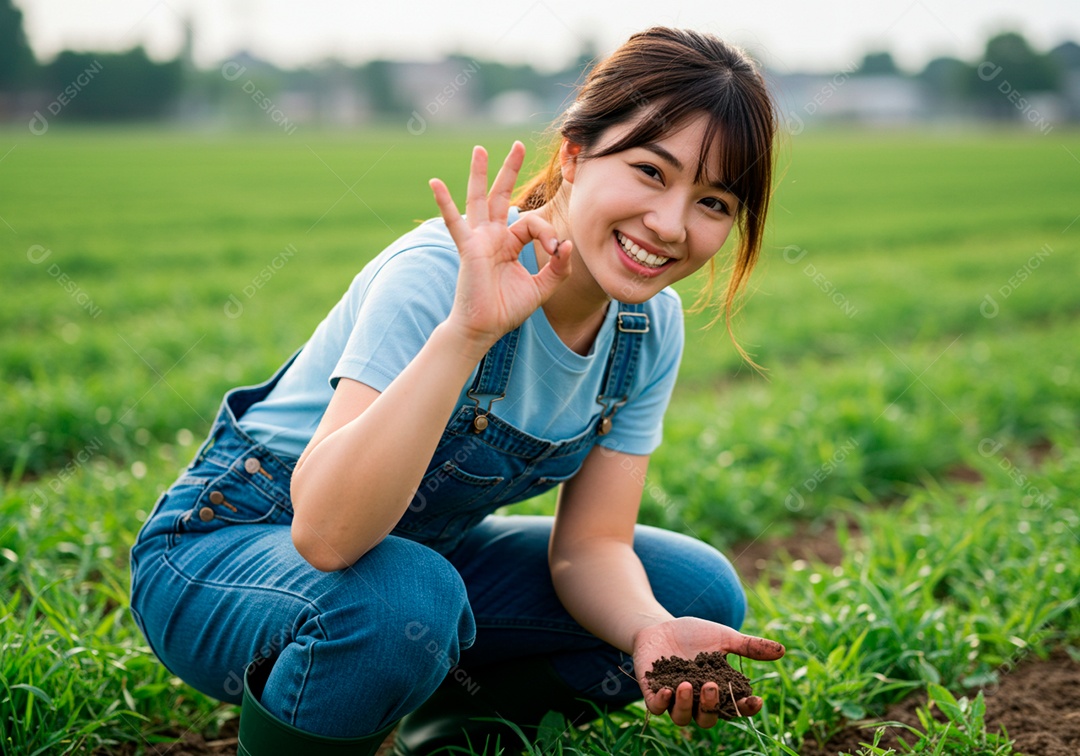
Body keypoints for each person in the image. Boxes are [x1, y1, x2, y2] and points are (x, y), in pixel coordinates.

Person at [129, 25, 786, 756]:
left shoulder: (647, 329)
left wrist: (645, 630)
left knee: (695, 594)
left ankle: (448, 729)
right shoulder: (436, 275)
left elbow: (593, 546)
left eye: (715, 203)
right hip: (229, 553)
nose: (670, 225)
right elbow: (326, 535)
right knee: (403, 598)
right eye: (651, 172)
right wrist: (467, 334)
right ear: (574, 153)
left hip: (411, 558)